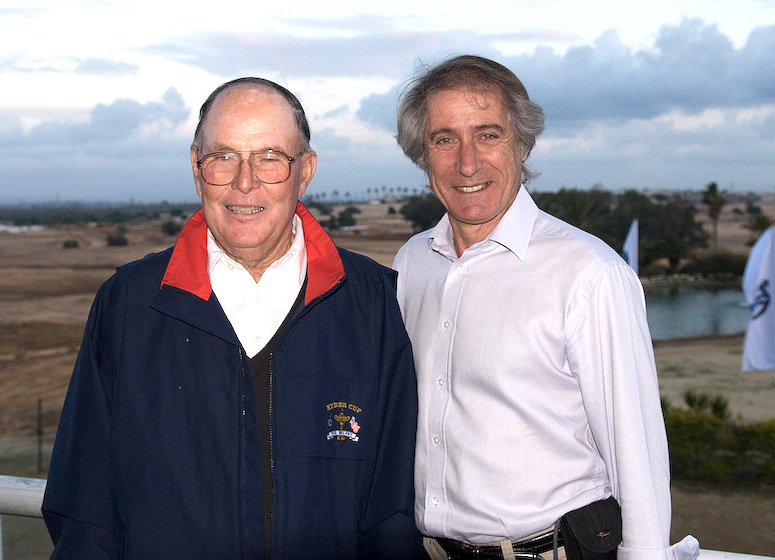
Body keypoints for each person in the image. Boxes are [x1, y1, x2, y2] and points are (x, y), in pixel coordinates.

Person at [42, 77, 424, 559]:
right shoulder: (127, 305)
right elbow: (84, 513)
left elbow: (392, 517)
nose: (245, 182)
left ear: (304, 171)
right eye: (223, 157)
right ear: (196, 170)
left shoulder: (372, 304)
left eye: (269, 157)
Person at [392, 55, 700, 560]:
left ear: (522, 143)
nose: (467, 163)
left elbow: (636, 455)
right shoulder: (412, 264)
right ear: (421, 155)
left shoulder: (589, 274)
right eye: (444, 139)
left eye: (488, 135)